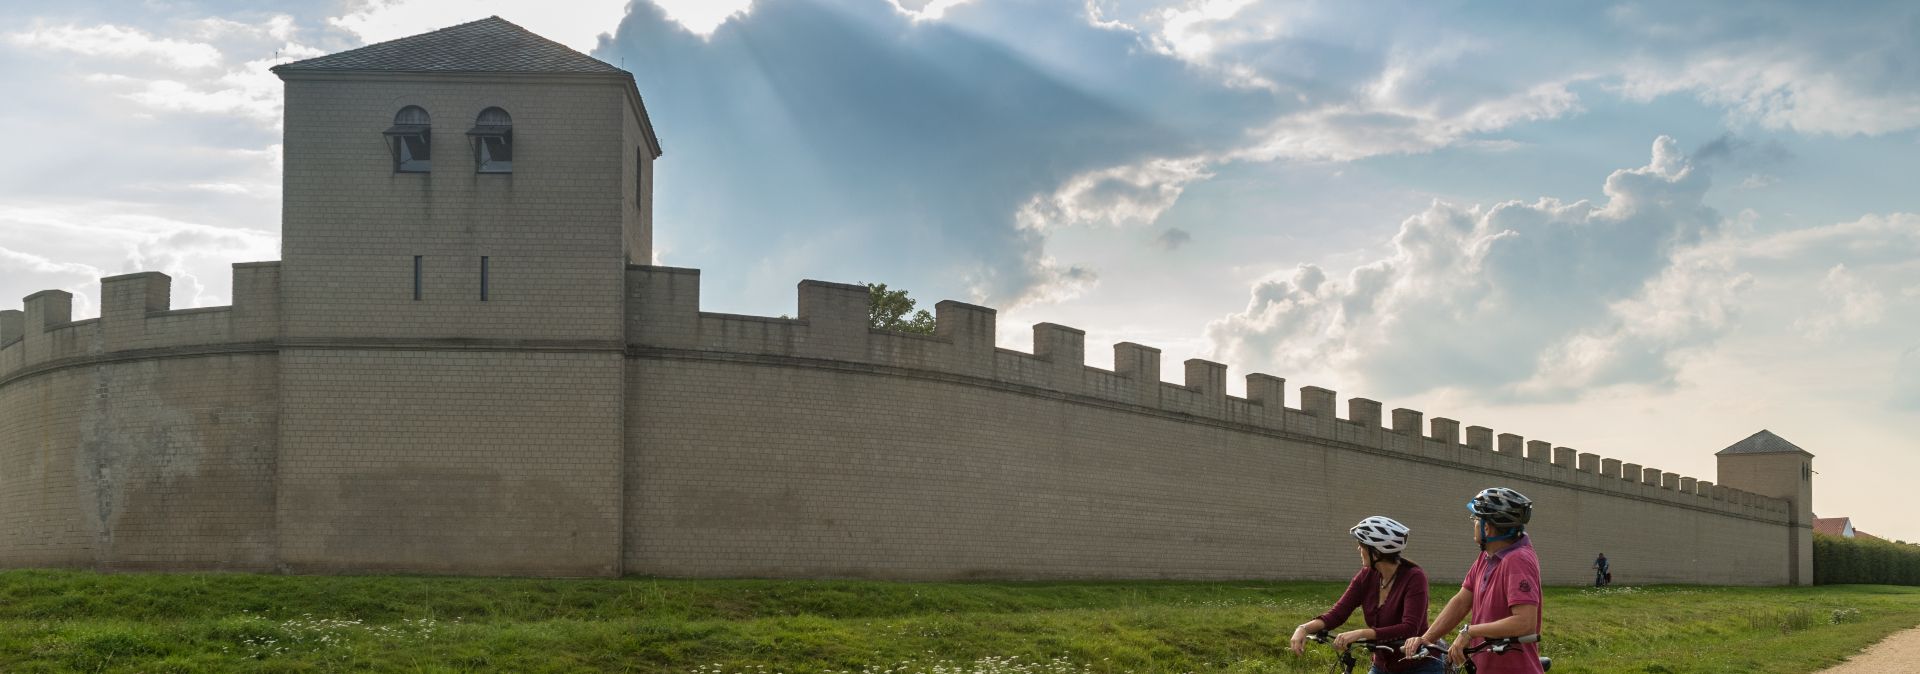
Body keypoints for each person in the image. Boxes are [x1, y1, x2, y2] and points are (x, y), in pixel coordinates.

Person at [1402, 487, 1543, 674]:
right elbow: (1462, 601)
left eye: (1476, 519)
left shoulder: (1517, 560)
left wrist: (1470, 631)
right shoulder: (1487, 556)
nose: (1474, 523)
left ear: (1487, 527)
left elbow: (1525, 622)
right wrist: (1427, 639)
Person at [1289, 516, 1440, 673]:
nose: (1358, 549)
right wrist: (1304, 628)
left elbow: (1409, 628)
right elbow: (1338, 614)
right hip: (1382, 666)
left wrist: (1361, 634)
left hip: (1419, 665)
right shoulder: (1366, 576)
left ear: (1375, 552)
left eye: (1361, 545)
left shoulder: (1414, 577)